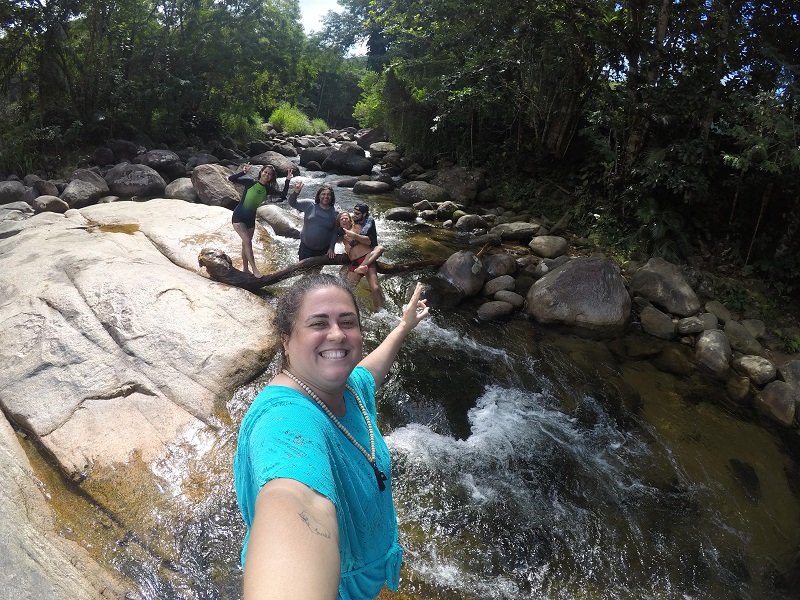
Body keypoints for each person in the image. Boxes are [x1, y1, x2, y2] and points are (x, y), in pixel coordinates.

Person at [233, 274, 429, 599]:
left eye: (347, 322)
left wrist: (403, 326)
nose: (337, 334)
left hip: (365, 573)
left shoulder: (348, 387)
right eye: (318, 324)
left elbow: (371, 371)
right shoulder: (284, 419)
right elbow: (299, 499)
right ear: (286, 338)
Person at [228, 163, 294, 277]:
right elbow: (231, 178)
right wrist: (243, 172)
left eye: (269, 174)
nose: (266, 175)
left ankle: (245, 269)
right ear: (261, 172)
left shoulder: (267, 189)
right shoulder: (250, 182)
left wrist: (287, 180)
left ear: (272, 177)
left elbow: (283, 194)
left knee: (245, 243)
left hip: (250, 220)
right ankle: (254, 269)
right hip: (238, 217)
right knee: (248, 241)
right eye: (265, 172)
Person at [337, 211, 385, 310]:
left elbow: (368, 241)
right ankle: (351, 308)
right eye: (342, 219)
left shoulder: (357, 228)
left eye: (346, 218)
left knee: (375, 288)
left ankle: (380, 311)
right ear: (339, 223)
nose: (344, 220)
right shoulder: (341, 236)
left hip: (366, 258)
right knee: (347, 290)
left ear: (350, 221)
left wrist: (354, 237)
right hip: (355, 263)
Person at [288, 182, 339, 272]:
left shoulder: (335, 213)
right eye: (323, 194)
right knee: (304, 272)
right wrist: (295, 193)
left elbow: (335, 232)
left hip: (323, 250)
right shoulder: (309, 205)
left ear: (332, 197)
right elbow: (292, 203)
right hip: (306, 247)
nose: (326, 197)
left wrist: (331, 248)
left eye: (329, 195)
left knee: (315, 273)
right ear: (319, 195)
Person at [350, 203, 383, 276]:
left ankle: (362, 266)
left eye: (357, 213)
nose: (354, 215)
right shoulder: (354, 218)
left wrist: (354, 241)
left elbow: (364, 231)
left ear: (364, 214)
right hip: (360, 246)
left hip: (371, 245)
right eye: (354, 212)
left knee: (380, 248)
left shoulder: (369, 220)